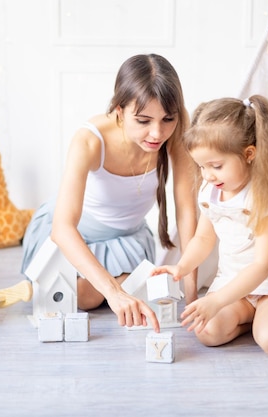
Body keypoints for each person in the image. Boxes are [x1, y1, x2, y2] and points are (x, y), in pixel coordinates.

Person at [21, 54, 198, 332]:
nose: (157, 132)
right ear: (119, 109)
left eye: (167, 119)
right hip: (77, 237)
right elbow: (63, 228)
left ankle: (113, 283)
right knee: (87, 296)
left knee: (137, 289)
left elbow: (186, 209)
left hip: (126, 240)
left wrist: (192, 294)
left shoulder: (173, 133)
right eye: (143, 121)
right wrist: (113, 294)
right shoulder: (89, 140)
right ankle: (106, 286)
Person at [152, 95, 268, 357]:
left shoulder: (264, 196)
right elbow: (202, 239)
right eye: (201, 166)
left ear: (249, 154)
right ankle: (249, 319)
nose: (208, 175)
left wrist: (215, 300)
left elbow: (263, 266)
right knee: (206, 330)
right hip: (233, 285)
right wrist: (181, 267)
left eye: (216, 166)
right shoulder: (210, 191)